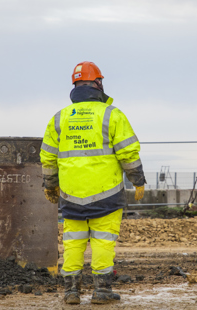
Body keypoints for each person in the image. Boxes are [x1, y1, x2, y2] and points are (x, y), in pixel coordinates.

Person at [40, 61, 146, 305]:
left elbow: (48, 156)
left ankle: (71, 292)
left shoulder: (59, 118)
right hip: (106, 194)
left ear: (75, 86)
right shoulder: (112, 114)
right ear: (98, 84)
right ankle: (101, 291)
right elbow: (128, 153)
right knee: (103, 240)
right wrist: (137, 180)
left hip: (70, 195)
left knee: (73, 242)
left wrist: (50, 185)